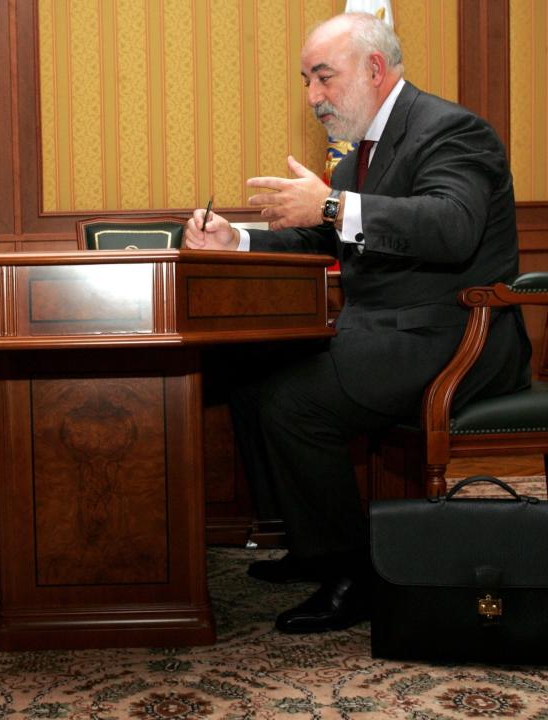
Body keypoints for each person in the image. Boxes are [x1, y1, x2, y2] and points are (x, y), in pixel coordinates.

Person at [185, 13, 531, 632]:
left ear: (374, 68)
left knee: (295, 402)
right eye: (305, 81)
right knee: (245, 374)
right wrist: (235, 240)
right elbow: (325, 237)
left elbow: (451, 228)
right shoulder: (362, 152)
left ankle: (353, 575)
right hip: (383, 333)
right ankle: (311, 544)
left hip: (452, 337)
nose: (312, 97)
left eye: (323, 77)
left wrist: (330, 202)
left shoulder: (452, 131)